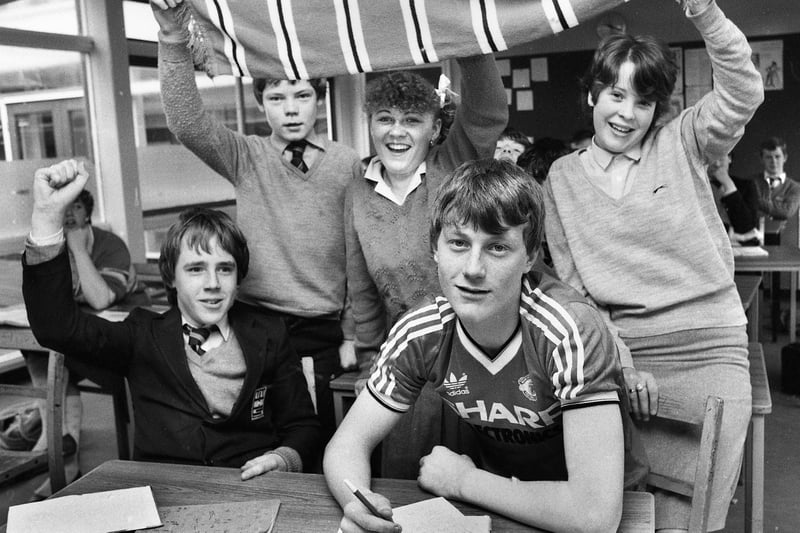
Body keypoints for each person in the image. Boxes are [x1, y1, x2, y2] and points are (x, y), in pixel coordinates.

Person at [326, 159, 643, 533]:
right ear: (435, 249)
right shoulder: (420, 331)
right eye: (458, 243)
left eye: (497, 248)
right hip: (505, 505)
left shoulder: (568, 329)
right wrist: (356, 500)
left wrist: (464, 481)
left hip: (610, 508)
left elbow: (595, 516)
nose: (473, 269)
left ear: (529, 257)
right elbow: (347, 444)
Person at [543, 0, 764, 530]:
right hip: (628, 359)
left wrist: (705, 12)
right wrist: (621, 361)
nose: (626, 113)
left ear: (656, 109)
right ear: (593, 94)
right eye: (616, 95)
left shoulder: (683, 141)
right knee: (630, 514)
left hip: (712, 344)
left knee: (697, 515)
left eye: (642, 102)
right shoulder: (560, 178)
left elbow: (743, 92)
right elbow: (577, 292)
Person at [23, 159, 321, 479]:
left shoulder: (268, 334)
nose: (212, 283)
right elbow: (55, 326)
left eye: (225, 268)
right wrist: (47, 215)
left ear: (239, 275)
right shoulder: (143, 336)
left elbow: (303, 426)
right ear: (171, 277)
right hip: (165, 493)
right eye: (195, 269)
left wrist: (283, 458)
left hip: (250, 488)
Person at [151, 0, 362, 443]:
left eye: (302, 95)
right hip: (254, 323)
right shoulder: (246, 156)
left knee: (317, 435)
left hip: (323, 330)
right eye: (276, 97)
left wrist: (352, 333)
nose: (291, 109)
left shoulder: (346, 164)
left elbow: (357, 251)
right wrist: (173, 39)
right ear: (261, 103)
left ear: (319, 99)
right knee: (255, 436)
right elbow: (187, 123)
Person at [345, 54, 507, 477]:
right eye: (385, 119)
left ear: (435, 129)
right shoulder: (357, 195)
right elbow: (362, 293)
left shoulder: (454, 165)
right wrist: (369, 366)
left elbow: (488, 109)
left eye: (412, 120)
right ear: (371, 126)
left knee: (482, 484)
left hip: (479, 354)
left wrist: (471, 40)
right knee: (406, 485)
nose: (396, 131)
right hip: (409, 365)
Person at [7, 184, 138, 497]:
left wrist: (79, 249)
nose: (68, 213)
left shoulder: (109, 244)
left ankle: (56, 445)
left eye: (76, 206)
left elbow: (101, 298)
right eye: (63, 207)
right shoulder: (53, 248)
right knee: (41, 349)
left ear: (88, 214)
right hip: (76, 345)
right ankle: (62, 447)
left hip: (119, 346)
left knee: (54, 352)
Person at [749, 137, 800, 239]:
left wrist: (757, 201)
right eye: (768, 157)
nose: (773, 161)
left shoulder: (795, 187)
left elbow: (786, 212)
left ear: (785, 157)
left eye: (777, 156)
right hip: (753, 239)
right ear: (761, 159)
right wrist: (776, 208)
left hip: (785, 242)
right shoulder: (751, 182)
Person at [708, 153, 762, 246]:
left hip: (743, 250)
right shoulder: (694, 188)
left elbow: (748, 229)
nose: (717, 164)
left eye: (721, 158)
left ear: (730, 158)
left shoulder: (746, 186)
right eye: (712, 158)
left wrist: (729, 185)